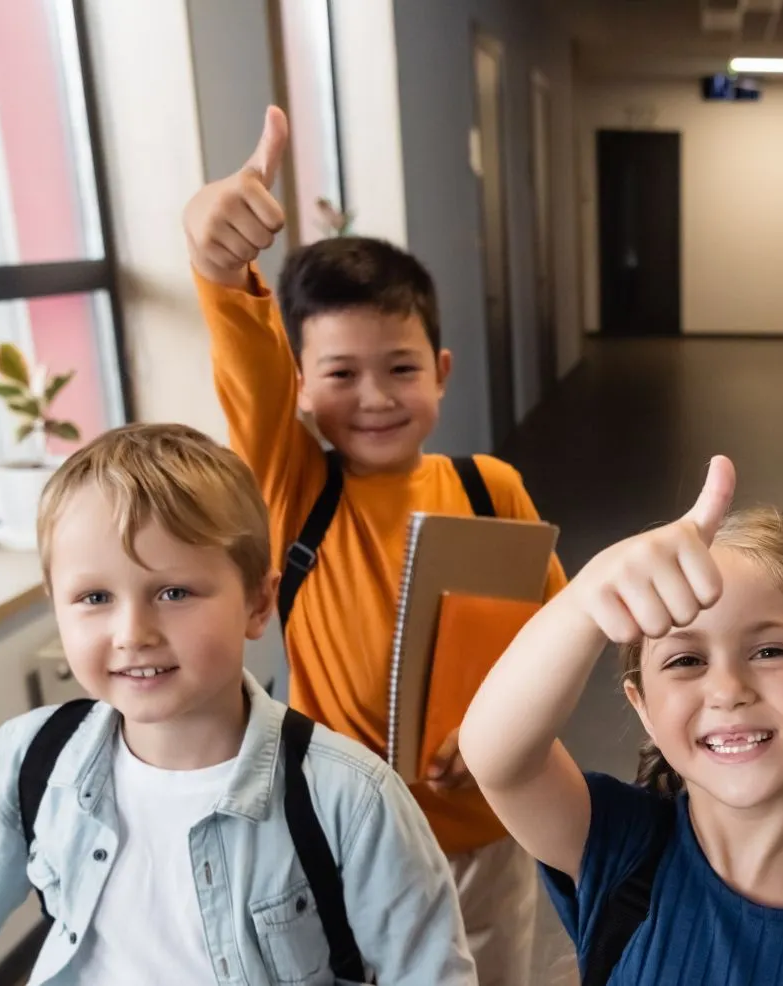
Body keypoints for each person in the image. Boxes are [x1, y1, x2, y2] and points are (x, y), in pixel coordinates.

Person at [0, 423, 473, 985]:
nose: (132, 632)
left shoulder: (351, 799)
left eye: (173, 593)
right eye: (94, 598)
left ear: (256, 601)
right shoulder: (28, 763)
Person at [184, 106, 564, 983]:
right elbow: (245, 357)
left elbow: (555, 636)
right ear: (302, 392)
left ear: (442, 370)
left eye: (400, 367)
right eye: (340, 375)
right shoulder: (295, 488)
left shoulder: (489, 489)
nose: (375, 397)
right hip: (351, 841)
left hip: (490, 830)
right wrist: (216, 259)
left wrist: (499, 727)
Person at [459, 457, 783, 985]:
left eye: (771, 651)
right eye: (686, 661)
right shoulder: (623, 848)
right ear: (644, 709)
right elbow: (499, 758)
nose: (728, 690)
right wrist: (589, 596)